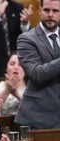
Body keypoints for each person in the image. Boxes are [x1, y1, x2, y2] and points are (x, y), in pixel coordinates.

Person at [15, 0, 60, 129]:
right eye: (47, 10)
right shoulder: (27, 38)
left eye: (55, 11)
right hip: (38, 118)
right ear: (40, 11)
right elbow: (36, 74)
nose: (50, 15)